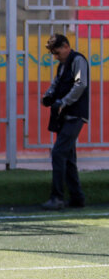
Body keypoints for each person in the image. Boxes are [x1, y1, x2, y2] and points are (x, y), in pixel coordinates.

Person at [40, 33, 89, 210]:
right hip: (65, 116)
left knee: (59, 153)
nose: (56, 56)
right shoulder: (63, 64)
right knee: (68, 157)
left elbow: (80, 84)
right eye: (54, 53)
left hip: (75, 115)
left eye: (57, 52)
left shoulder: (78, 60)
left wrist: (64, 101)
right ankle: (77, 198)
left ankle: (57, 197)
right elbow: (57, 83)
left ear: (66, 46)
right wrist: (48, 96)